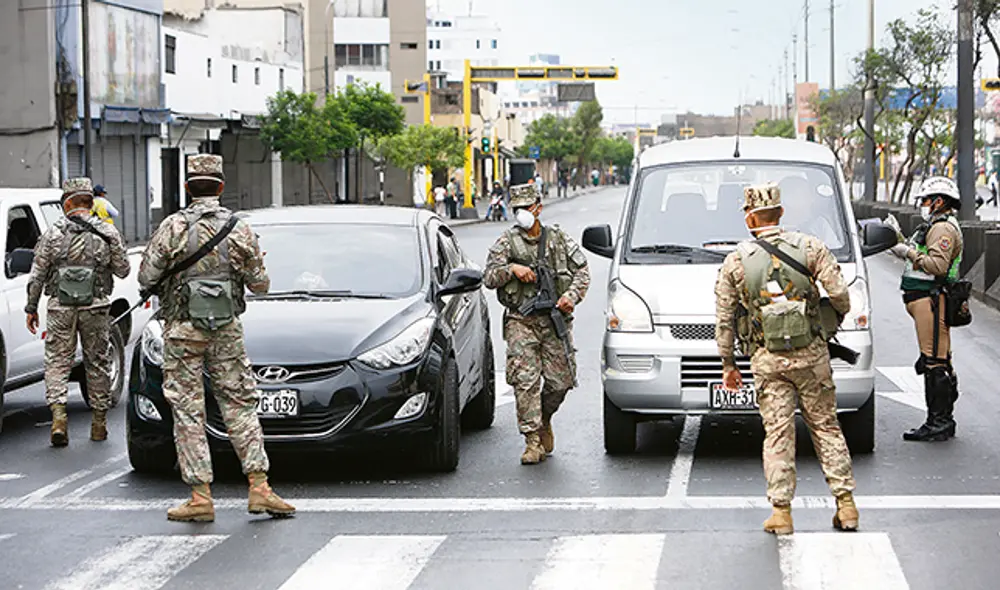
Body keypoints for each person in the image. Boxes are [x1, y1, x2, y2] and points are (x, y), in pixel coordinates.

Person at [139, 154, 294, 523]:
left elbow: (145, 277)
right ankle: (259, 487)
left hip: (182, 331)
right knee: (239, 405)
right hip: (225, 330)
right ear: (221, 187)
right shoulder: (239, 229)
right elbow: (260, 285)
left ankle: (200, 496)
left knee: (188, 410)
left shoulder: (172, 227)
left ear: (188, 187)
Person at [714, 182, 858, 535]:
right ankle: (846, 505)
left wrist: (728, 365)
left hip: (768, 361)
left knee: (777, 433)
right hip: (812, 356)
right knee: (826, 427)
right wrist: (832, 320)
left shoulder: (736, 262)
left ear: (749, 219)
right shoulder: (811, 247)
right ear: (780, 212)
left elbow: (724, 319)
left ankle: (781, 513)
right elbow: (840, 292)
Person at [483, 183, 590, 464]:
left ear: (538, 209)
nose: (521, 214)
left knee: (561, 381)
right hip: (522, 321)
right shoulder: (507, 241)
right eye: (516, 209)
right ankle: (532, 441)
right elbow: (489, 277)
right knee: (525, 381)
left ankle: (544, 419)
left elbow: (582, 271)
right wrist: (512, 270)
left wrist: (571, 296)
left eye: (525, 209)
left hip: (554, 321)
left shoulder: (558, 238)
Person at [25, 177, 130, 446]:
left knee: (57, 362)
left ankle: (59, 420)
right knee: (97, 362)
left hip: (61, 307)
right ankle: (98, 424)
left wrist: (31, 308)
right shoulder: (108, 233)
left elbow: (37, 275)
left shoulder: (52, 234)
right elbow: (123, 270)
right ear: (91, 202)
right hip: (95, 306)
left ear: (67, 203)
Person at [888, 176, 965, 442]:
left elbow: (937, 266)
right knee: (935, 357)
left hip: (932, 299)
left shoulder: (943, 229)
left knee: (935, 360)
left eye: (926, 200)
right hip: (925, 299)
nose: (923, 205)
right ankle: (941, 419)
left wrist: (907, 253)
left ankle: (939, 422)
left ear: (939, 202)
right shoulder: (935, 225)